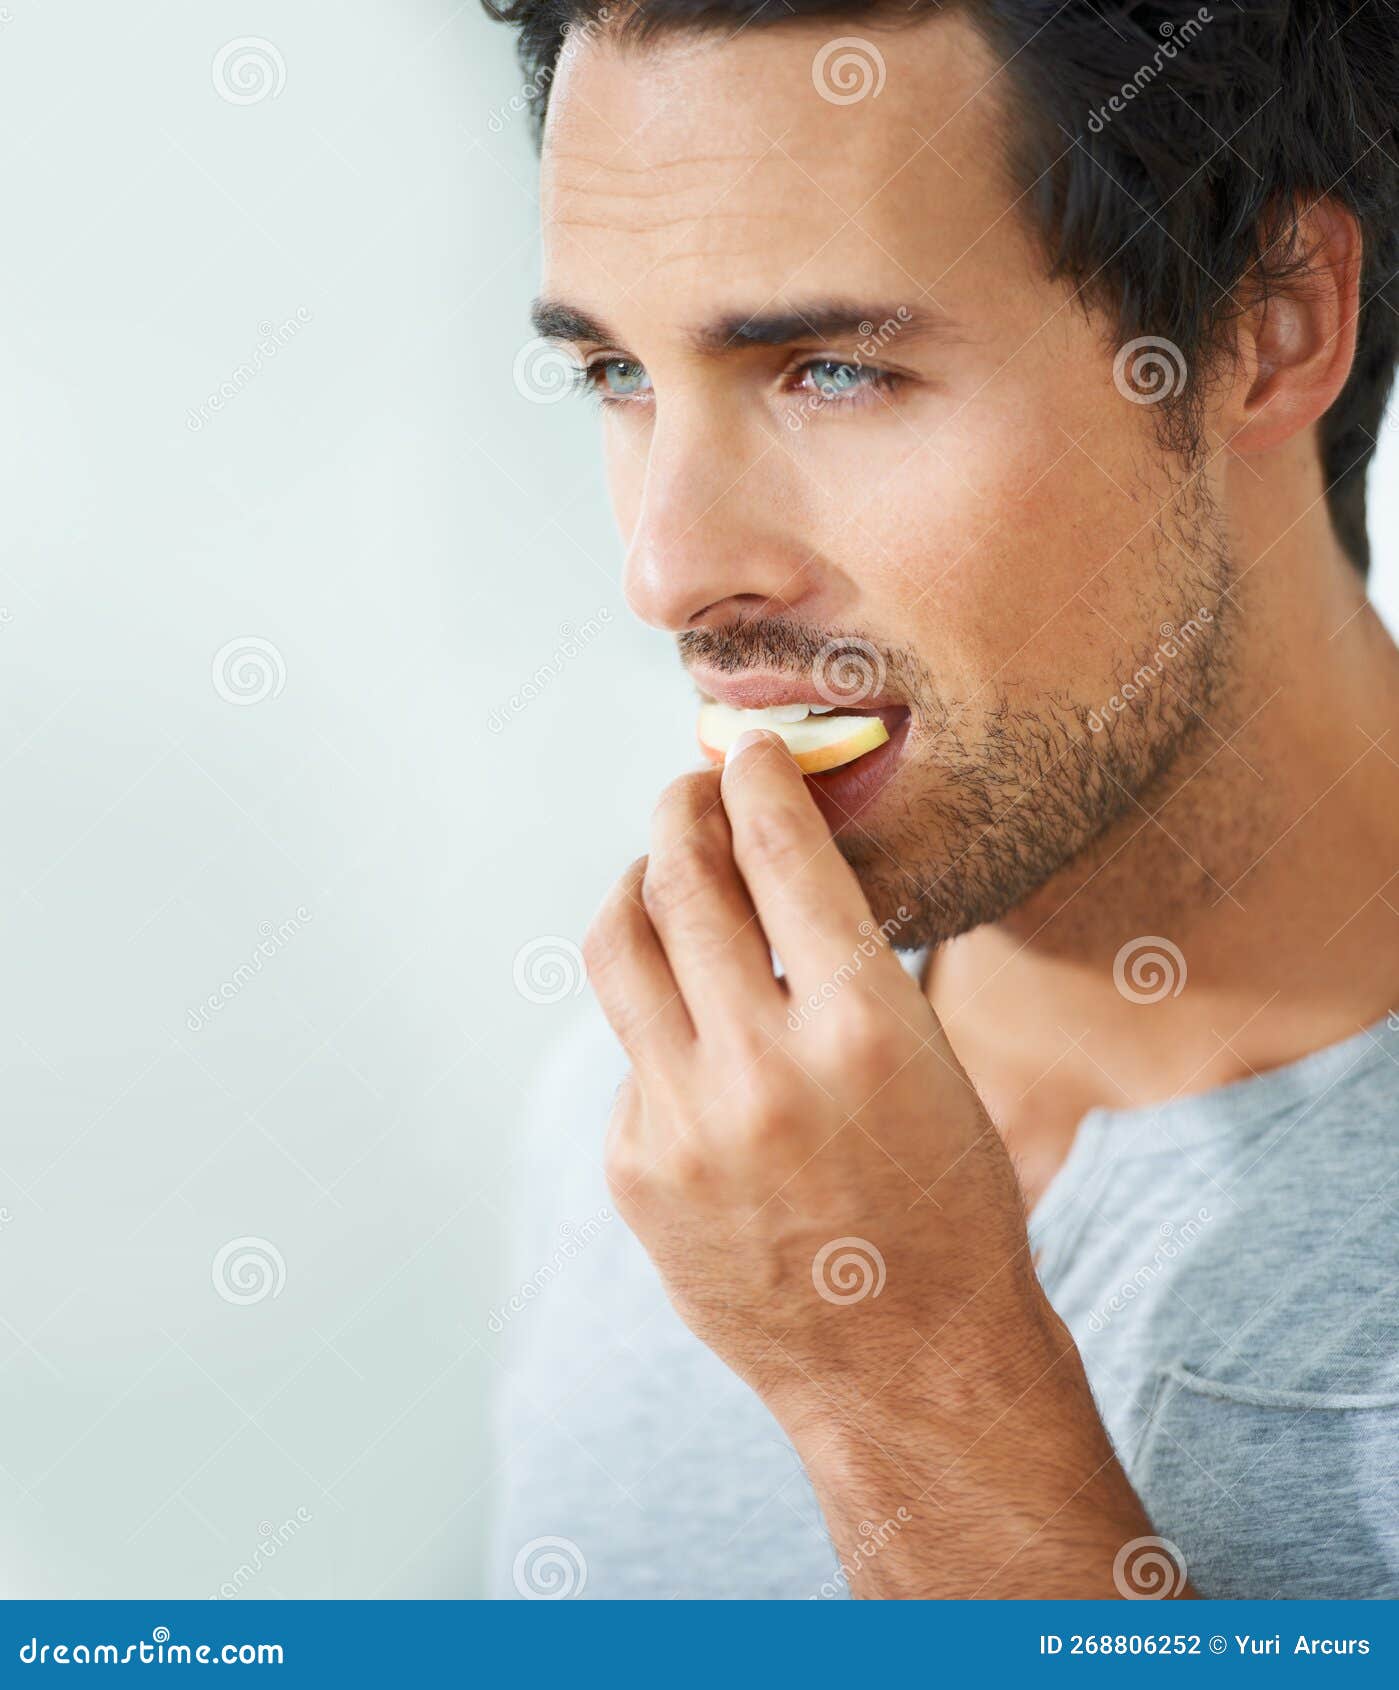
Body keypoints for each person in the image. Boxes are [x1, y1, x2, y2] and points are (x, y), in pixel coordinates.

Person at [482, 0, 1399, 1598]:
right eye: (617, 371)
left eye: (832, 369)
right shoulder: (654, 1133)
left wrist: (906, 1390)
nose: (669, 569)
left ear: (1271, 319)